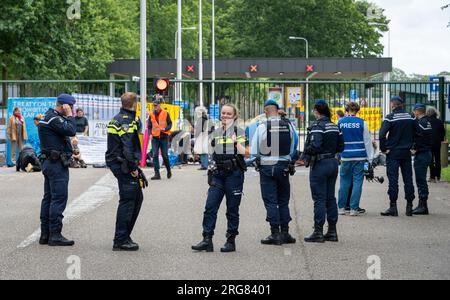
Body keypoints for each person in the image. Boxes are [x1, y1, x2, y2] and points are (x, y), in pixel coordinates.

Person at [192, 103, 248, 253]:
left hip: (234, 175)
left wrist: (236, 142)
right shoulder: (216, 132)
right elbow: (212, 154)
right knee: (210, 207)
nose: (225, 116)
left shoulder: (239, 131)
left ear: (234, 116)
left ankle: (230, 240)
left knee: (232, 209)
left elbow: (246, 153)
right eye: (223, 113)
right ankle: (207, 239)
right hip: (218, 175)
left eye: (228, 114)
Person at [251, 100, 298, 246]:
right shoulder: (288, 125)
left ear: (266, 111)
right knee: (283, 200)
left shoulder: (262, 126)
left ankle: (275, 234)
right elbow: (294, 145)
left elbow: (254, 151)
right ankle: (285, 232)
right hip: (284, 166)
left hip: (267, 167)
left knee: (271, 201)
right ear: (277, 110)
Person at [105, 92, 143, 251]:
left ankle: (124, 236)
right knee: (128, 200)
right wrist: (133, 168)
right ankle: (120, 239)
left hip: (120, 162)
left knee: (137, 198)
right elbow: (127, 147)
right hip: (123, 164)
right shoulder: (126, 121)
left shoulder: (119, 118)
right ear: (135, 104)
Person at [38, 94, 77, 246]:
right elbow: (72, 129)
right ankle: (55, 235)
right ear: (64, 106)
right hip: (55, 164)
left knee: (48, 198)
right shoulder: (54, 118)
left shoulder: (49, 117)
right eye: (70, 107)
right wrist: (70, 115)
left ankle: (45, 234)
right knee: (58, 198)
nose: (72, 110)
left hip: (50, 162)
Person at [302, 100, 344, 243]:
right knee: (330, 198)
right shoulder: (335, 126)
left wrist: (304, 150)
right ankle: (332, 231)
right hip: (333, 163)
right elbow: (341, 147)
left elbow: (315, 146)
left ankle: (318, 232)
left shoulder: (317, 126)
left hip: (320, 164)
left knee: (319, 199)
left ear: (316, 111)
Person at [379, 96, 416, 217]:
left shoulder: (390, 117)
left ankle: (393, 207)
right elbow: (417, 133)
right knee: (408, 179)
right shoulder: (411, 117)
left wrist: (384, 149)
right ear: (402, 104)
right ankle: (409, 206)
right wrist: (413, 147)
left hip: (393, 152)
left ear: (392, 104)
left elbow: (382, 134)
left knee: (393, 180)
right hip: (406, 152)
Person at [337, 102, 374, 216]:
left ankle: (342, 208)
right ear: (357, 110)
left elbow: (337, 140)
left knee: (344, 182)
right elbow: (367, 142)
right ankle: (354, 208)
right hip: (360, 157)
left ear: (346, 110)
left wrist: (338, 154)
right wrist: (370, 158)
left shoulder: (340, 122)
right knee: (357, 182)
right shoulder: (362, 122)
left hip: (346, 156)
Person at [411, 104, 433, 215]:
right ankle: (422, 205)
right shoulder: (427, 122)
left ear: (417, 112)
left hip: (422, 154)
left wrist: (415, 148)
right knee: (422, 180)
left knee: (421, 180)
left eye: (414, 112)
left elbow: (419, 138)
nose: (414, 114)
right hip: (427, 152)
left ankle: (423, 206)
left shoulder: (420, 123)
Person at [148, 98, 172, 180]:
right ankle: (157, 174)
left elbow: (170, 124)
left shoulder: (165, 113)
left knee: (165, 155)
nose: (155, 107)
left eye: (156, 106)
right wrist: (150, 134)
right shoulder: (151, 114)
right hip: (155, 138)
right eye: (154, 106)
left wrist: (165, 129)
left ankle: (169, 170)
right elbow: (149, 126)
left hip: (163, 137)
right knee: (154, 155)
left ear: (160, 105)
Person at [427, 107, 446, 183]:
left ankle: (432, 177)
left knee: (430, 160)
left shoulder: (427, 121)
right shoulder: (439, 121)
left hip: (429, 143)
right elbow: (443, 133)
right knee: (438, 159)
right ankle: (438, 176)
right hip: (437, 143)